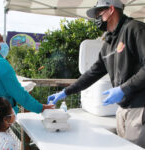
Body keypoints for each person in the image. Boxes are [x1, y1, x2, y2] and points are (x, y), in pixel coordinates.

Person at [48, 0, 145, 148]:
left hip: (140, 107)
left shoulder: (135, 29)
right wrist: (66, 91)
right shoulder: (108, 43)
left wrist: (123, 89)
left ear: (111, 10)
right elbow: (93, 73)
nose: (96, 19)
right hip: (122, 108)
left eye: (99, 14)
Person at [0, 30, 53, 114]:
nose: (3, 43)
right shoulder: (0, 64)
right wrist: (40, 107)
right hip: (0, 116)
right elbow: (18, 93)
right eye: (0, 40)